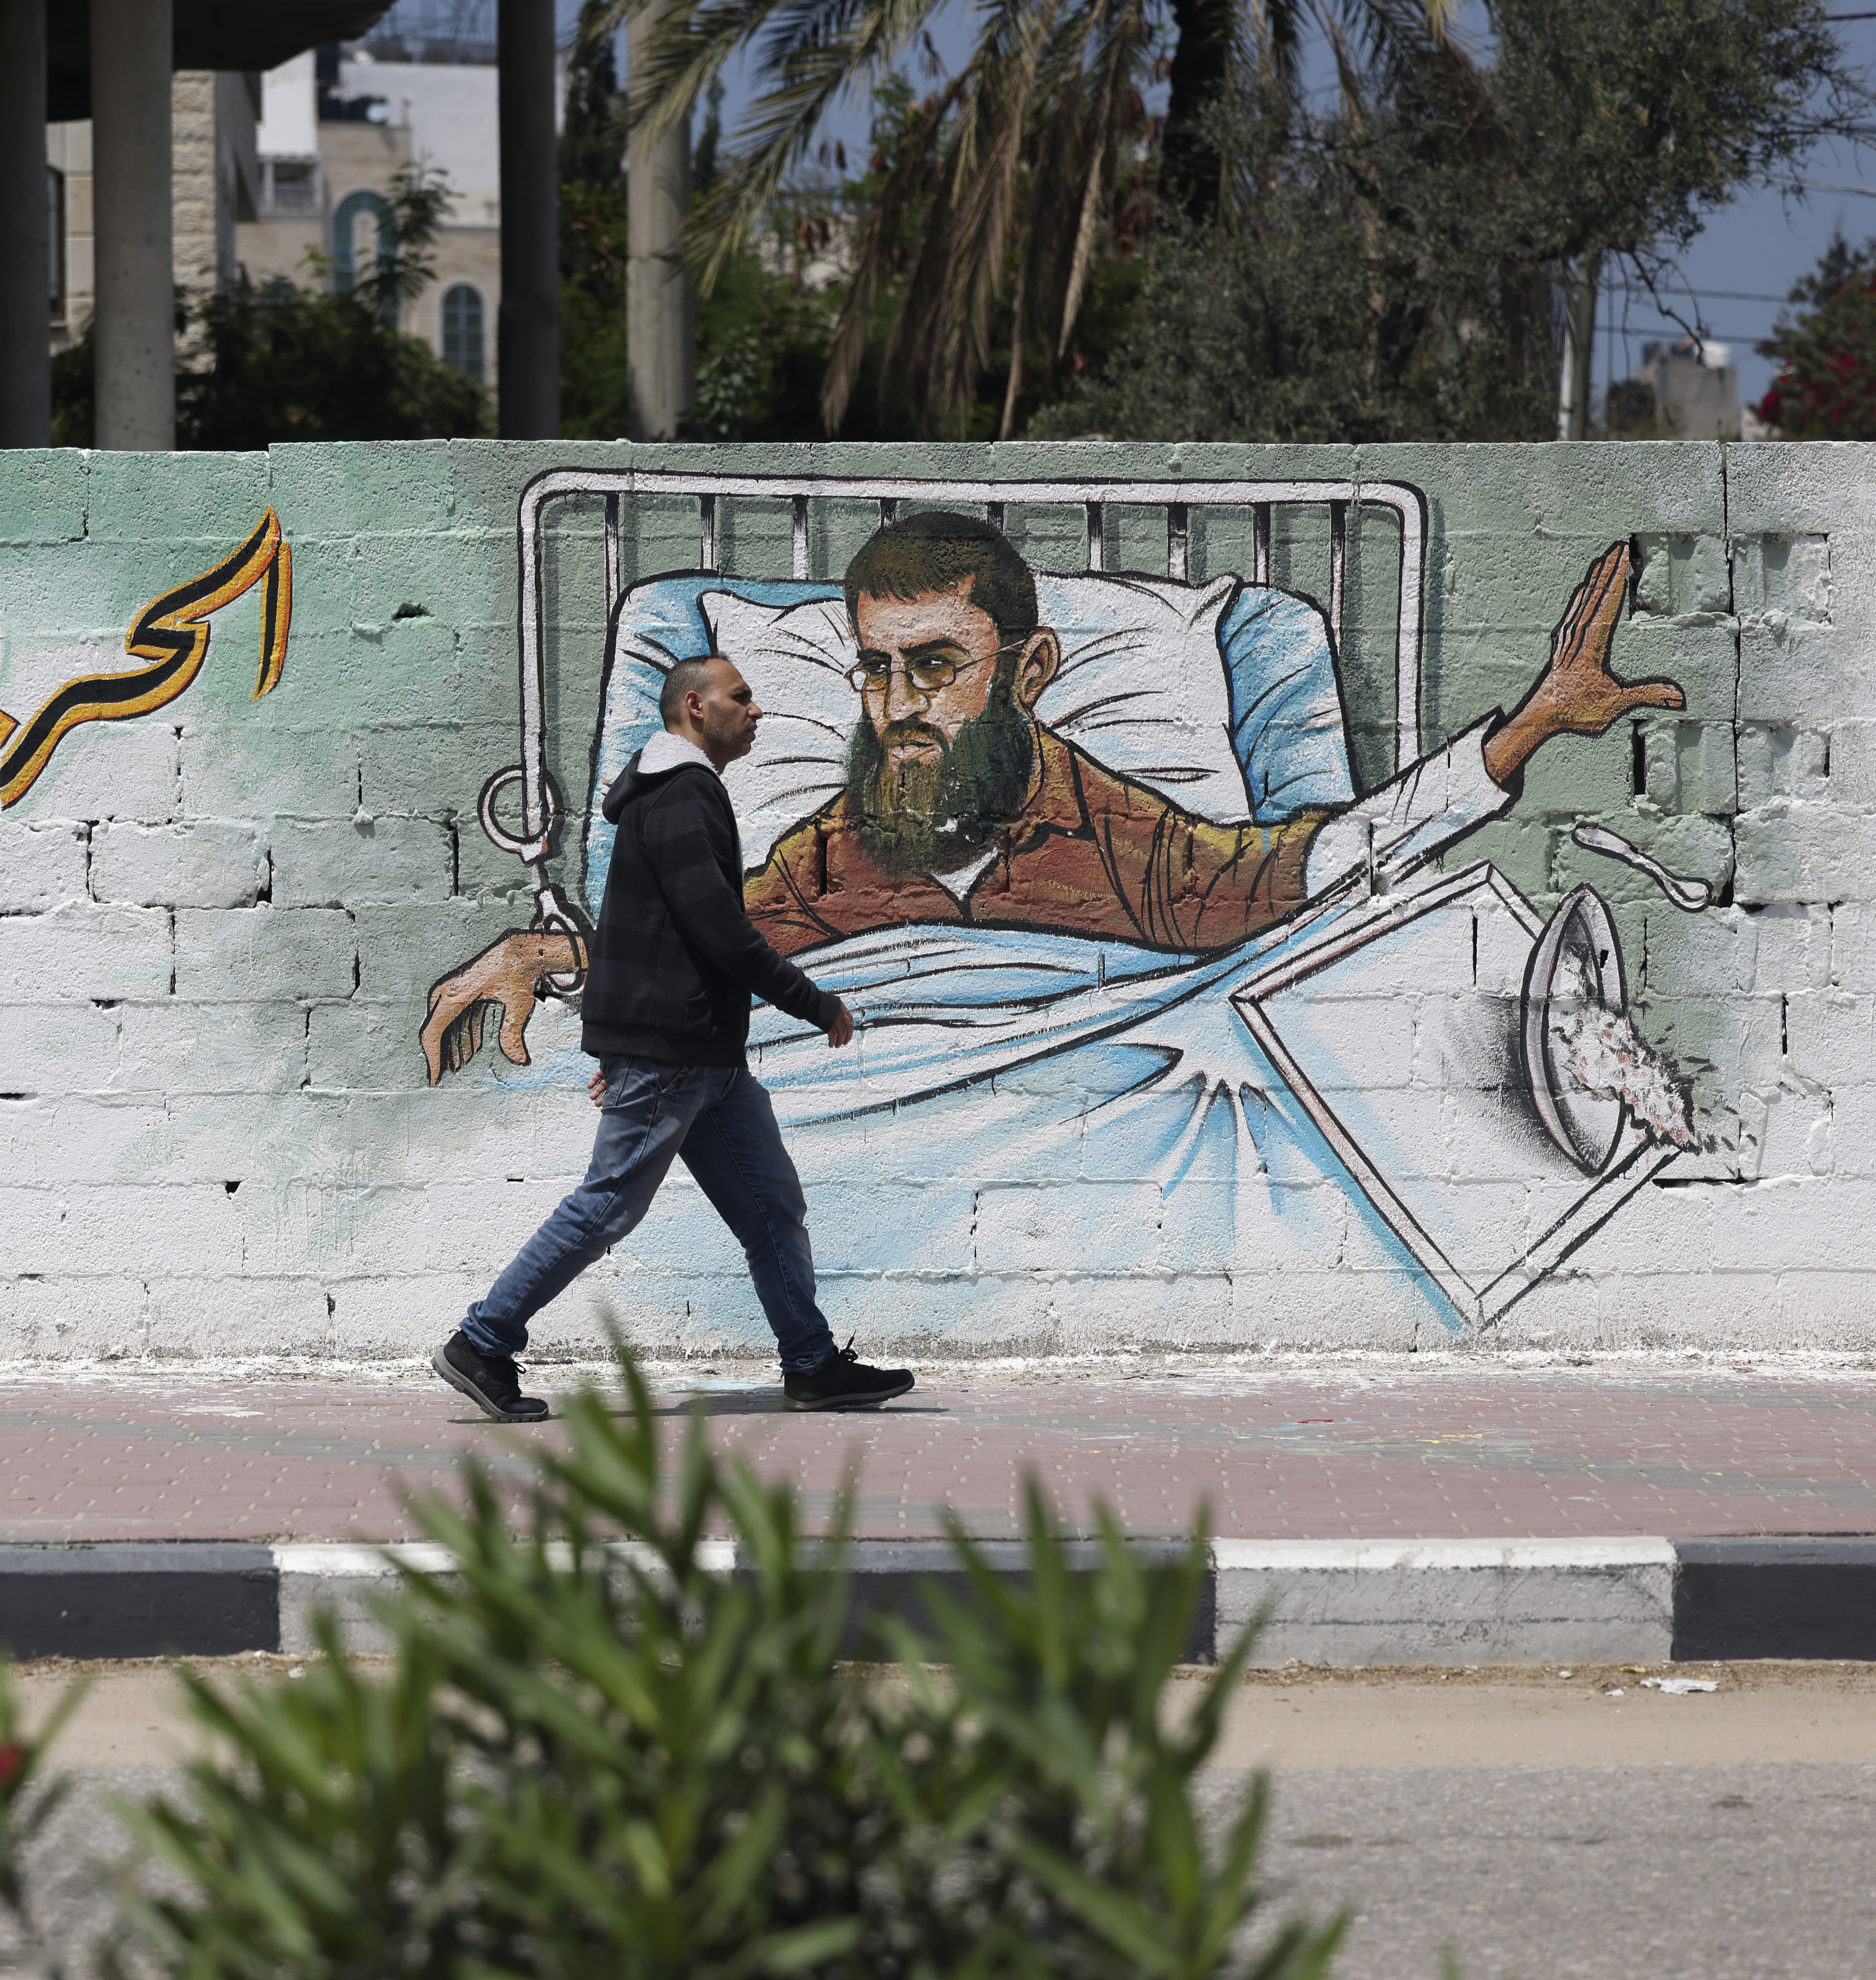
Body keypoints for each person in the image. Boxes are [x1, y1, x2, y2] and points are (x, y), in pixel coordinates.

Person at [421, 516, 1675, 1066]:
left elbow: (1315, 863)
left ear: (1030, 670)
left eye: (935, 668)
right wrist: (548, 951)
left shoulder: (1120, 836)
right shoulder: (837, 856)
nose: (898, 704)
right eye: (874, 671)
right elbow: (706, 944)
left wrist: (1527, 732)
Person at [427, 652, 918, 1423]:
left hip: (705, 1060)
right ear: (696, 707)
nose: (756, 711)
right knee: (606, 1208)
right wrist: (813, 1002)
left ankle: (814, 1364)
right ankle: (483, 1341)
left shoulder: (675, 793)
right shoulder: (684, 794)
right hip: (679, 1054)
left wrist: (621, 1041)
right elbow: (716, 927)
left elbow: (637, 932)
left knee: (770, 1208)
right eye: (741, 697)